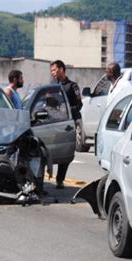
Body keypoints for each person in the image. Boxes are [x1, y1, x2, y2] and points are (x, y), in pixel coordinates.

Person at [50, 60, 82, 189]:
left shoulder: (72, 86)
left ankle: (60, 179)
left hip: (68, 124)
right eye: (51, 71)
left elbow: (79, 104)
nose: (53, 73)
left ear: (62, 69)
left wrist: (67, 112)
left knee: (65, 152)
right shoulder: (52, 87)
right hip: (53, 124)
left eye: (54, 70)